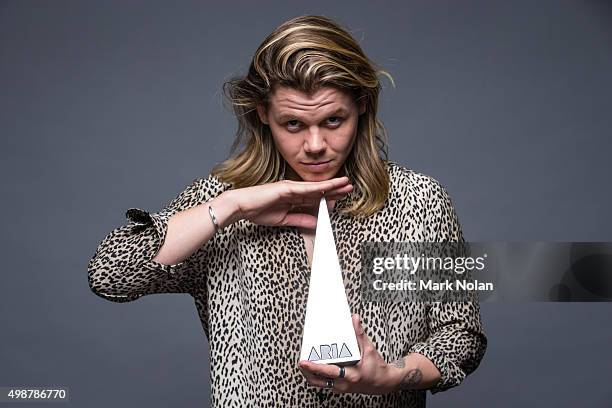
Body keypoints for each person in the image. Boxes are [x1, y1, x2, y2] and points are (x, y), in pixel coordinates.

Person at [87, 14, 487, 408]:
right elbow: (111, 276)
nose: (315, 144)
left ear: (361, 105)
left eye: (333, 120)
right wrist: (233, 204)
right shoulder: (225, 204)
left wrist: (390, 376)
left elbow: (460, 335)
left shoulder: (417, 200)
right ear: (263, 114)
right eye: (293, 124)